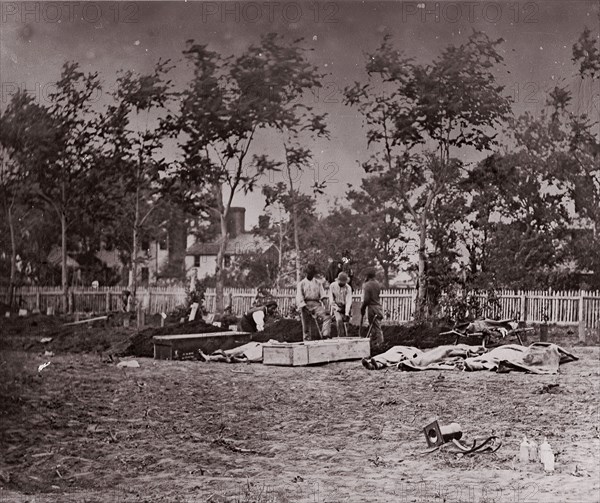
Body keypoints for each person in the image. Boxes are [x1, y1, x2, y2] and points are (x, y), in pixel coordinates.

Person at [296, 264, 332, 340]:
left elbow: (323, 296)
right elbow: (300, 297)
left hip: (316, 304)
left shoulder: (318, 283)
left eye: (312, 273)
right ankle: (307, 339)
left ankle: (325, 335)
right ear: (306, 273)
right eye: (309, 273)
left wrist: (327, 308)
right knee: (306, 323)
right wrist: (305, 307)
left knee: (327, 316)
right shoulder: (301, 284)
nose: (310, 275)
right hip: (305, 304)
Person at [360, 269, 384, 347]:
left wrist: (362, 308)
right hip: (378, 307)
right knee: (375, 327)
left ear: (367, 276)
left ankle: (380, 344)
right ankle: (374, 345)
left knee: (375, 327)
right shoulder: (377, 284)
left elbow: (366, 300)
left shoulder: (367, 285)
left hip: (372, 308)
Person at [329, 272, 352, 337]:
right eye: (341, 282)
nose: (342, 284)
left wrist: (346, 313)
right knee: (339, 320)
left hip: (344, 306)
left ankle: (346, 336)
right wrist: (336, 308)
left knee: (346, 322)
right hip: (336, 305)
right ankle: (341, 337)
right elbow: (331, 299)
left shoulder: (348, 288)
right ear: (338, 280)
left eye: (344, 282)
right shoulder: (332, 286)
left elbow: (348, 300)